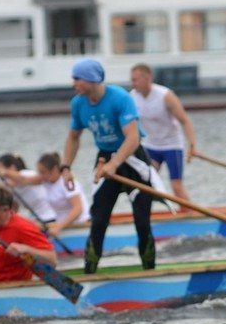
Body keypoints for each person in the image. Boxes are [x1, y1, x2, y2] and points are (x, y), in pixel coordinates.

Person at [61, 57, 156, 274]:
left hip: (131, 158)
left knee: (142, 220)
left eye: (77, 78)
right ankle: (90, 271)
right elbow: (73, 137)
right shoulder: (78, 103)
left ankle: (150, 271)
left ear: (92, 80)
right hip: (104, 159)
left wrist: (116, 163)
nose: (73, 83)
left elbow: (133, 138)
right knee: (99, 218)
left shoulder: (120, 98)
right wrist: (65, 167)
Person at [129, 62, 198, 202]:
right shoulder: (132, 97)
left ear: (147, 78)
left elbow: (184, 120)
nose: (133, 84)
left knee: (176, 186)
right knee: (145, 184)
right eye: (132, 80)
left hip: (172, 146)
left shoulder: (165, 95)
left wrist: (192, 145)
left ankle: (190, 216)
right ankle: (146, 218)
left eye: (135, 80)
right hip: (151, 145)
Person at [0, 186, 57, 282]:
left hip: (13, 284)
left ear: (5, 210)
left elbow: (52, 260)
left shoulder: (23, 227)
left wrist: (26, 249)